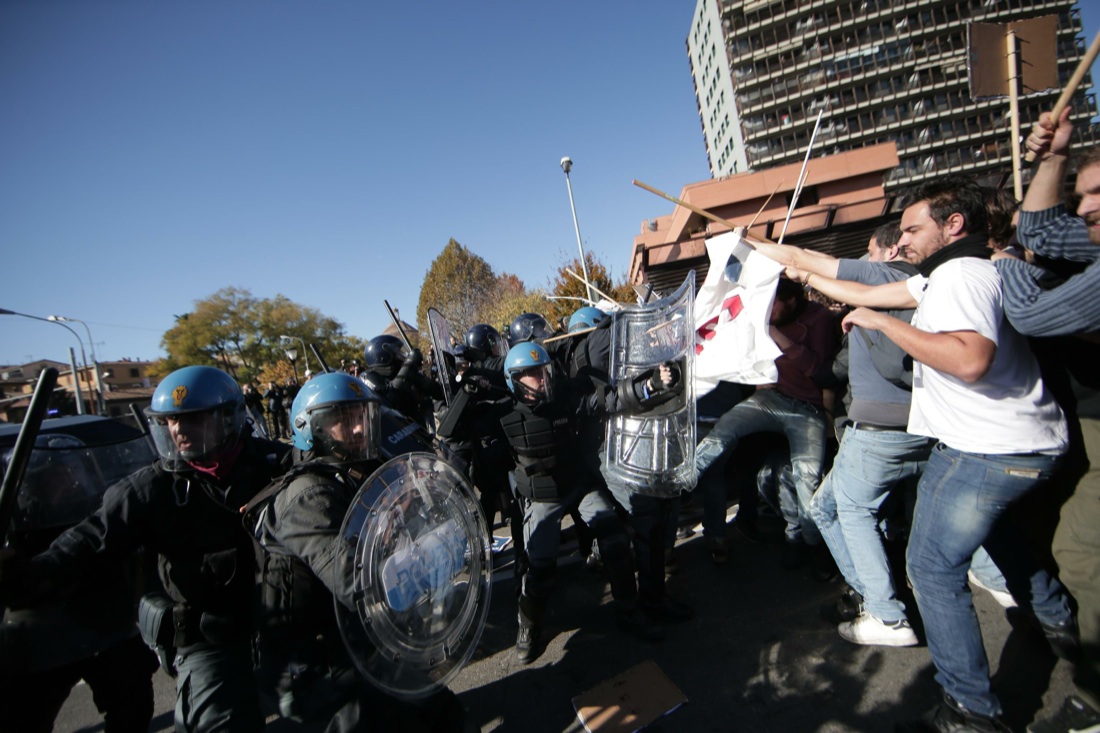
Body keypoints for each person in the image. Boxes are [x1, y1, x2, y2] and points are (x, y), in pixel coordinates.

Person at [797, 175, 1075, 732]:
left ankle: (970, 709)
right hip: (1019, 449)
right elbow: (870, 292)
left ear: (954, 226)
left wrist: (879, 326)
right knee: (998, 541)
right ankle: (1061, 628)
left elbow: (968, 359)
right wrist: (794, 266)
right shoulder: (955, 273)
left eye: (911, 230)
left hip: (985, 452)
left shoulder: (959, 277)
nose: (901, 243)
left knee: (930, 567)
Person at [1, 366, 290, 732]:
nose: (179, 430)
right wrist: (32, 573)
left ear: (229, 416)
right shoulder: (151, 488)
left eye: (193, 418)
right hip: (213, 635)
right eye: (171, 420)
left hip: (288, 619)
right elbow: (90, 538)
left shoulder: (277, 464)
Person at [245, 371, 463, 731]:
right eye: (342, 422)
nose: (360, 429)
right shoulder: (307, 496)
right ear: (310, 428)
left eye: (361, 417)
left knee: (442, 715)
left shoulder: (352, 473)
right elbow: (356, 581)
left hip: (355, 640)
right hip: (316, 666)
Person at [753, 222, 931, 646]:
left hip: (878, 430)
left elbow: (805, 263)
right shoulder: (916, 290)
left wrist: (750, 245)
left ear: (890, 253)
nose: (866, 262)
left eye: (870, 252)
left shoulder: (891, 280)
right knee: (842, 509)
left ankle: (885, 612)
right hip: (917, 426)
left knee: (841, 509)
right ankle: (876, 593)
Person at [993, 108, 1100, 733]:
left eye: (1096, 195)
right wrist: (1054, 156)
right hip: (1075, 422)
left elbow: (1032, 315)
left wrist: (1003, 263)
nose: (1084, 208)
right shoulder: (1086, 237)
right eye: (1082, 194)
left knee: (1081, 552)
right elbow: (1039, 225)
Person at [500, 341, 682, 662]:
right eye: (530, 375)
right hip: (542, 497)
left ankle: (629, 610)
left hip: (577, 486)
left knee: (614, 538)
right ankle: (528, 626)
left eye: (542, 372)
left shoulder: (566, 399)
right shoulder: (502, 417)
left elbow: (610, 399)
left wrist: (651, 383)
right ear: (514, 380)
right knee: (539, 568)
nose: (541, 380)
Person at [694, 276, 839, 571]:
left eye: (774, 306)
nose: (768, 311)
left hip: (808, 410)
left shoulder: (820, 320)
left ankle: (805, 543)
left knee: (805, 479)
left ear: (793, 301)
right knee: (727, 427)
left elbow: (818, 369)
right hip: (775, 398)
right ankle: (685, 475)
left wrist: (775, 334)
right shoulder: (767, 315)